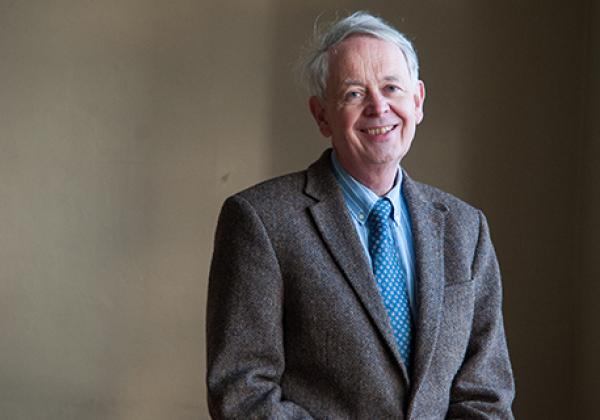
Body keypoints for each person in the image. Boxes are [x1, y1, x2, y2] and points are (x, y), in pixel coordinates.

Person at [206, 11, 514, 419]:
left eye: (392, 88)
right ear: (321, 115)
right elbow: (242, 391)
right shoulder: (260, 221)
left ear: (417, 101)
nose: (378, 107)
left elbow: (487, 394)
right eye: (354, 93)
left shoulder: (465, 228)